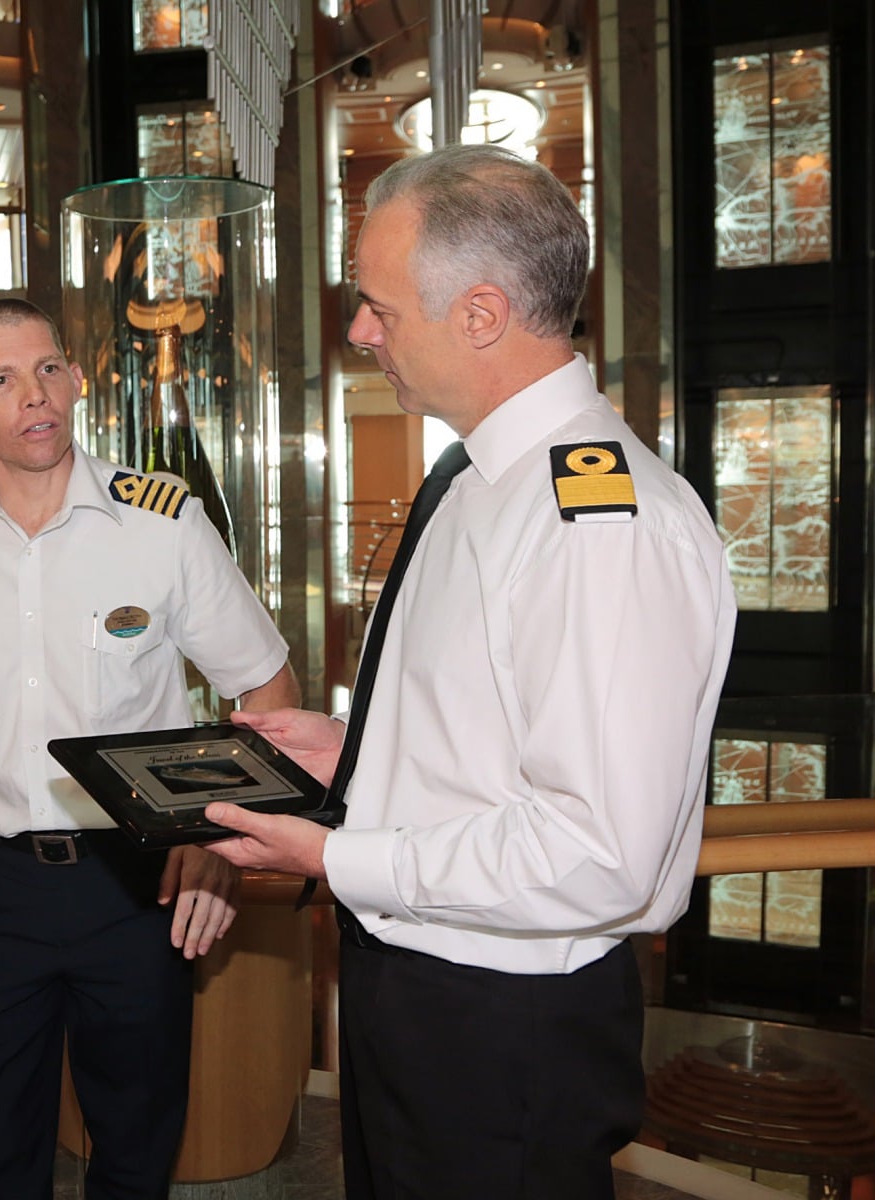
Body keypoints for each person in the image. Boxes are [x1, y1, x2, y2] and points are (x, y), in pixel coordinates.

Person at [203, 143, 736, 1200]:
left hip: (499, 1024)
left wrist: (337, 855)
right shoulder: (476, 475)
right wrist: (361, 756)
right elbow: (500, 734)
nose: (360, 332)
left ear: (481, 314)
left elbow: (597, 851)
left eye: (378, 307)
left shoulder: (596, 521)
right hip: (425, 990)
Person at [0, 298, 299, 1199]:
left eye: (46, 369)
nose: (32, 395)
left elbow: (265, 688)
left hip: (136, 881)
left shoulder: (160, 521)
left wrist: (217, 839)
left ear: (76, 380)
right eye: (0, 380)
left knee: (136, 1143)